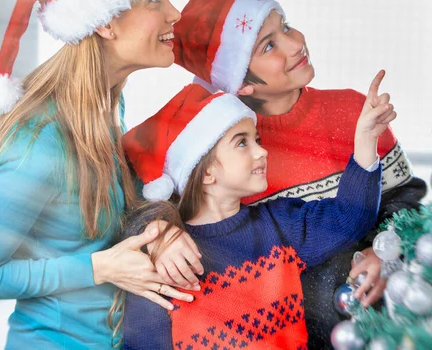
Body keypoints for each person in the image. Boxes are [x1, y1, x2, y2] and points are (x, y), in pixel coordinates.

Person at [0, 0, 203, 348]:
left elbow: (97, 223)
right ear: (105, 22)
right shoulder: (42, 143)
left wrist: (158, 225)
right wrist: (98, 268)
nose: (174, 13)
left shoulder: (104, 107)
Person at [171, 0, 428, 348]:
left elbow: (407, 205)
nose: (294, 45)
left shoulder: (354, 111)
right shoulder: (227, 153)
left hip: (381, 329)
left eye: (287, 27)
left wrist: (386, 255)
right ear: (241, 81)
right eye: (268, 46)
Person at [119, 77, 396, 349]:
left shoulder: (280, 224)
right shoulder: (168, 260)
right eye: (242, 143)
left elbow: (348, 219)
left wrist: (365, 141)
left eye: (257, 140)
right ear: (205, 172)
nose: (262, 151)